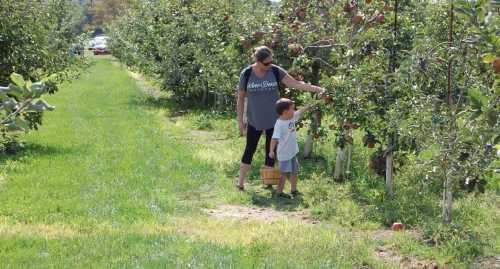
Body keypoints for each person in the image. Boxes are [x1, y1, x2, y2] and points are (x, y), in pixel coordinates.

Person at [236, 46, 325, 190]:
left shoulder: (275, 71)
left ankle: (268, 183)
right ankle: (240, 183)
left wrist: (317, 89)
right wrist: (240, 122)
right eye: (266, 63)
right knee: (249, 150)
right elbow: (240, 98)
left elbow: (295, 84)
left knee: (270, 152)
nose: (269, 65)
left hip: (274, 120)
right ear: (257, 61)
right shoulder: (246, 74)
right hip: (254, 119)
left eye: (271, 61)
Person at [269, 98, 312, 198]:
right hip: (284, 153)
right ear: (285, 112)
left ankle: (294, 190)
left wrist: (308, 107)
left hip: (292, 152)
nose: (294, 110)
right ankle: (279, 192)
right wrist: (271, 150)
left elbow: (300, 111)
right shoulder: (279, 124)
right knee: (283, 174)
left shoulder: (292, 117)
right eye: (292, 109)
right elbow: (274, 138)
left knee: (294, 171)